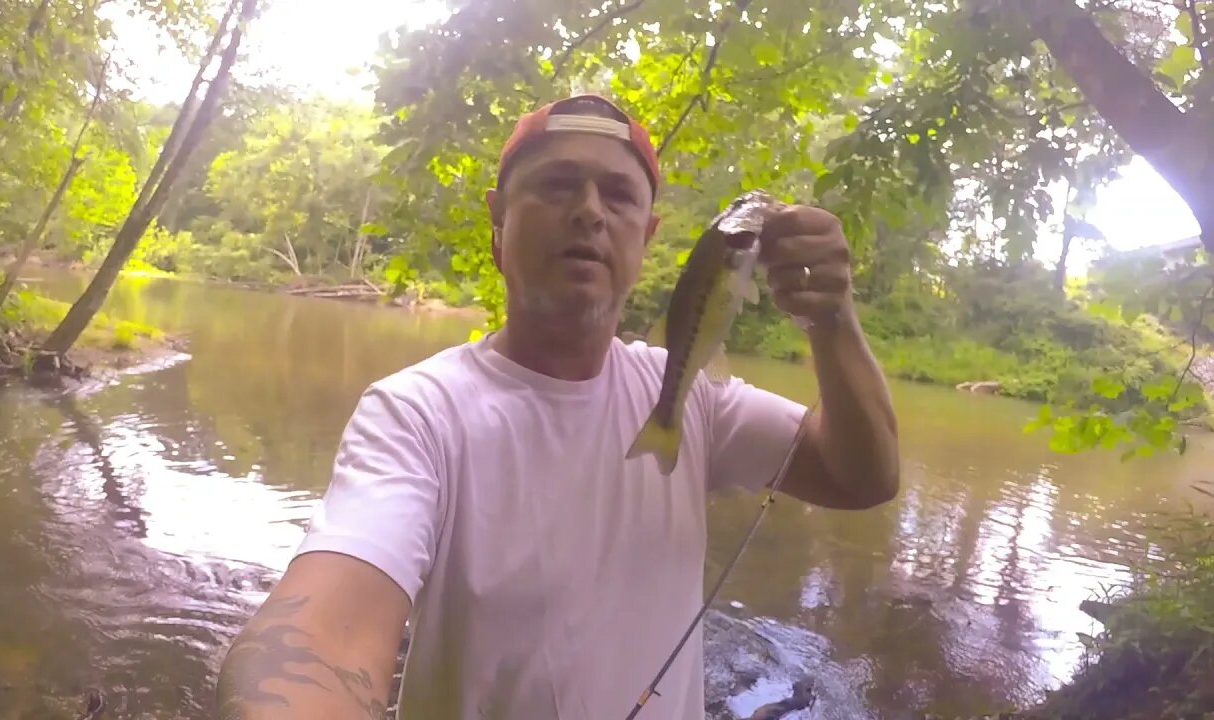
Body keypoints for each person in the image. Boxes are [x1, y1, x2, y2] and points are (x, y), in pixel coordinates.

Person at [214, 94, 900, 720]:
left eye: (619, 196)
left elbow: (863, 477)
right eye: (557, 185)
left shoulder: (694, 400)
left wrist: (832, 319)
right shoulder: (416, 415)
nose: (591, 212)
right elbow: (319, 633)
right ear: (498, 225)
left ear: (647, 238)